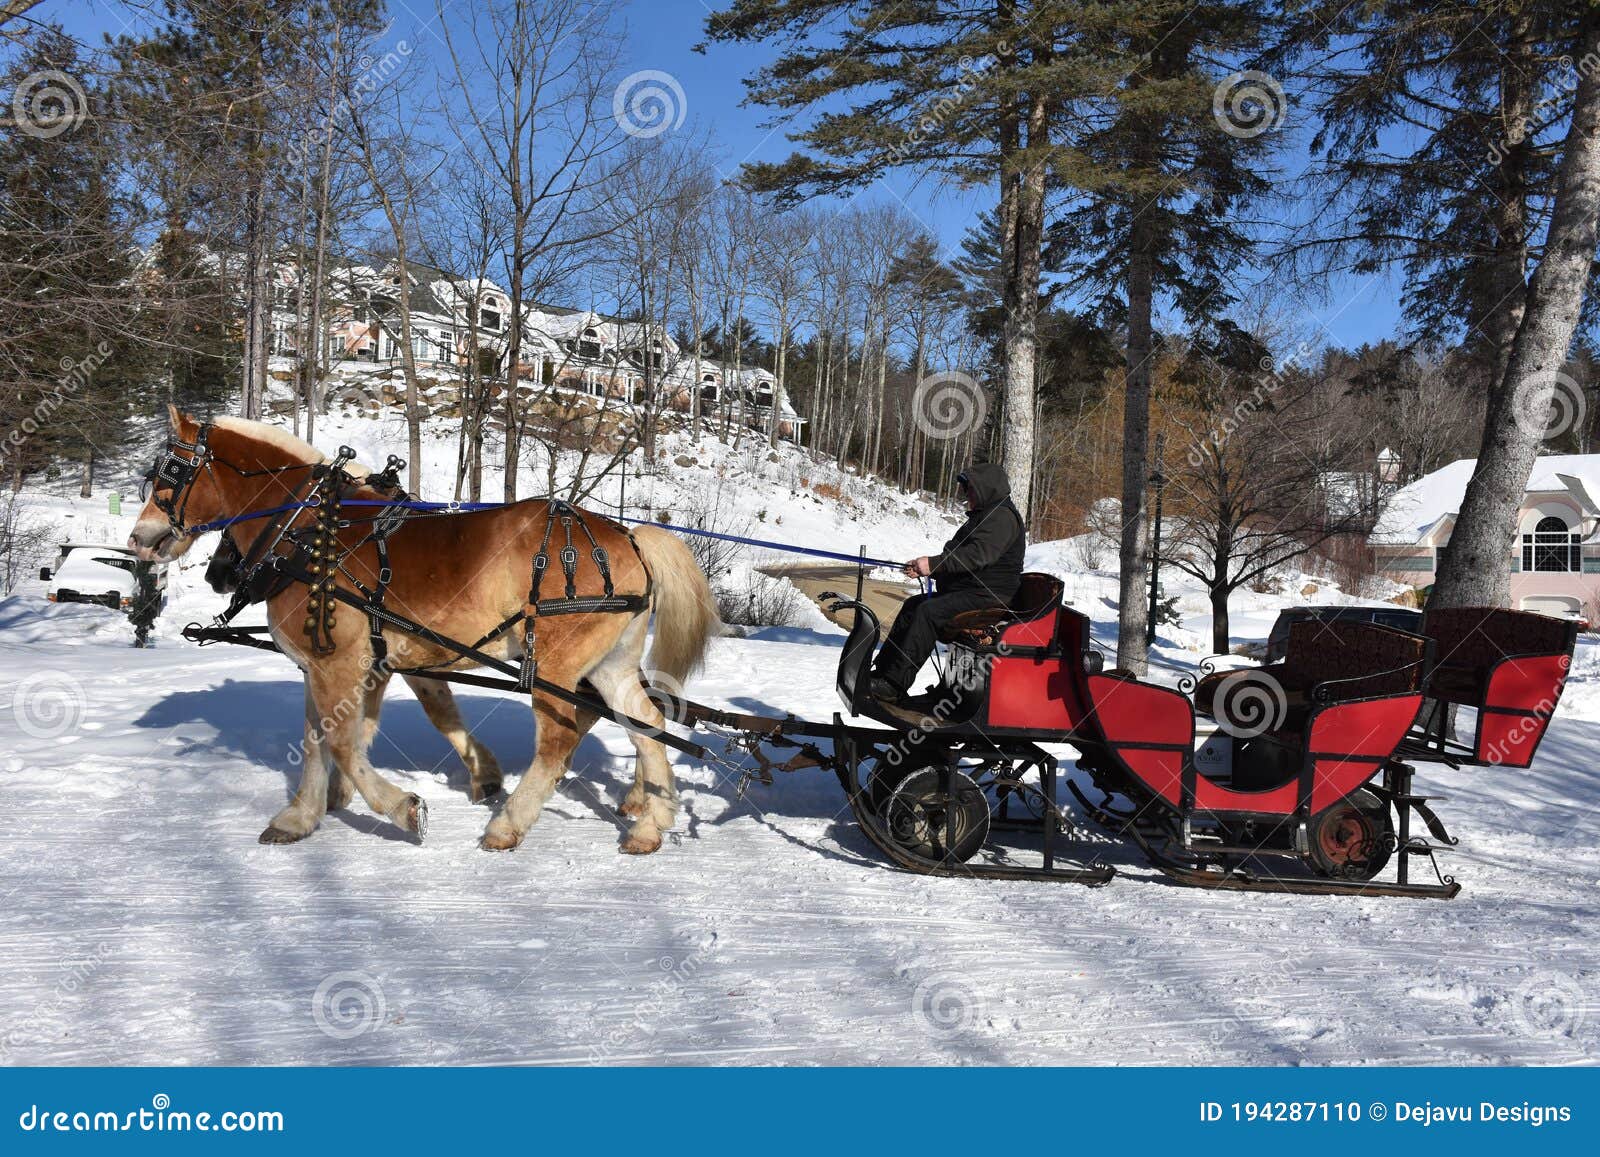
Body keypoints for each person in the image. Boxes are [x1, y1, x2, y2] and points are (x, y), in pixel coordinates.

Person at [869, 462, 1026, 701]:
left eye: (970, 490)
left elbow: (977, 556)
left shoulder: (1002, 518)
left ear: (986, 489)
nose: (967, 495)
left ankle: (893, 685)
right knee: (913, 606)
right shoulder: (987, 516)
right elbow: (960, 557)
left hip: (989, 596)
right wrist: (928, 570)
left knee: (929, 612)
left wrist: (933, 565)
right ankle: (882, 673)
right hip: (972, 590)